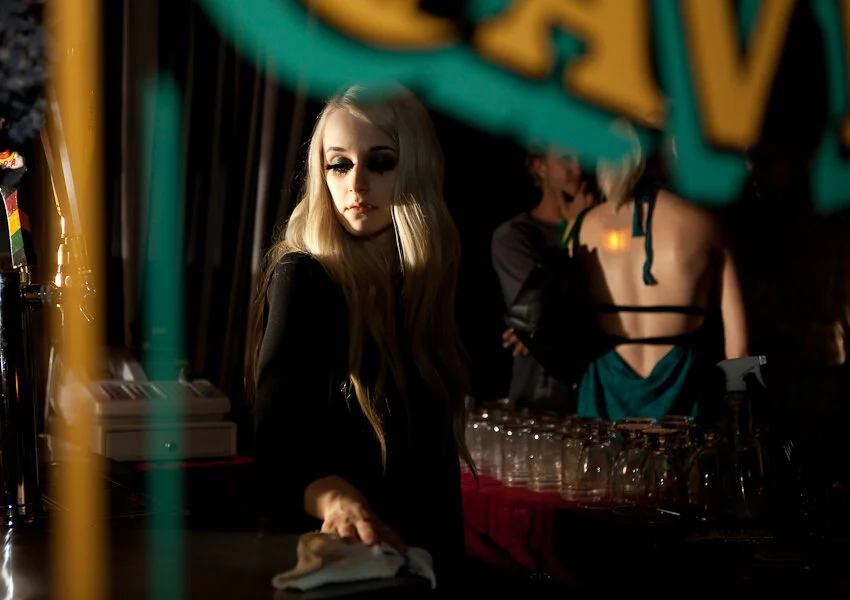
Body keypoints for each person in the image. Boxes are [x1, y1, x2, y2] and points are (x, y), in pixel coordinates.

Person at [247, 84, 473, 589]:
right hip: (347, 567)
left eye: (381, 162)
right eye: (339, 165)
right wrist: (335, 497)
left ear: (413, 167)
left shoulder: (430, 283)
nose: (357, 184)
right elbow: (275, 446)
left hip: (426, 561)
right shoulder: (305, 277)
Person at [573, 122, 748, 421]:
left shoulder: (586, 226)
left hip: (605, 387)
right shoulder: (707, 224)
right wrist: (738, 395)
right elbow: (738, 341)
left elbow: (570, 316)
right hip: (684, 391)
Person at [491, 149, 598, 414]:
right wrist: (575, 229)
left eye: (581, 154)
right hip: (541, 396)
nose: (577, 166)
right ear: (539, 166)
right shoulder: (517, 236)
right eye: (565, 157)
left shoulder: (608, 230)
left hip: (597, 393)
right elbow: (539, 316)